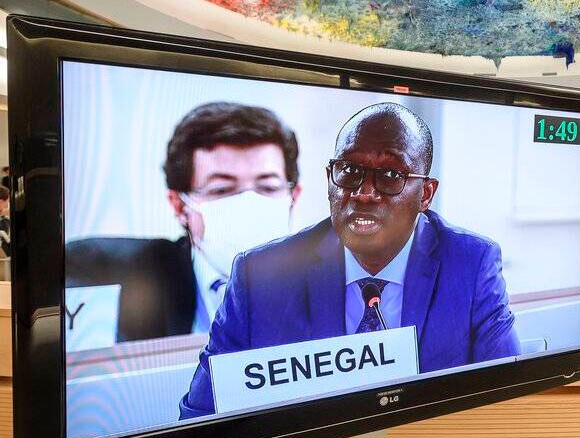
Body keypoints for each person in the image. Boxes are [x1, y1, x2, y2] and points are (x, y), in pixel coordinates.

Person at [179, 103, 520, 419]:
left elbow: (507, 403)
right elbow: (199, 418)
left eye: (391, 176)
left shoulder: (470, 264)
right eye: (350, 170)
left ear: (425, 195)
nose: (363, 193)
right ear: (330, 178)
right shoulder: (260, 276)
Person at [66, 102, 302, 341]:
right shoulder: (105, 272)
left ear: (293, 197)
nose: (248, 205)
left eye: (268, 187)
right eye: (221, 190)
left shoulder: (324, 278)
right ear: (180, 205)